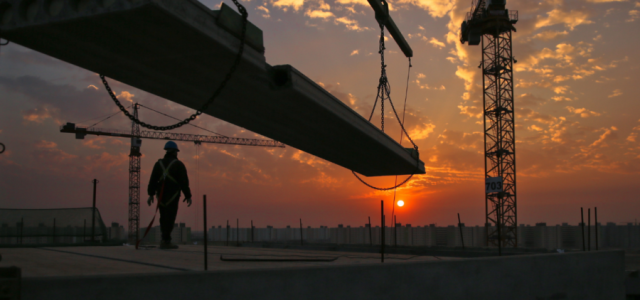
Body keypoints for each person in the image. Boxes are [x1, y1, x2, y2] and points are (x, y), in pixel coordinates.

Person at [147, 141, 192, 249]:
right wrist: (188, 195)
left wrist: (151, 194)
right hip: (173, 196)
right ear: (175, 152)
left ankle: (164, 239)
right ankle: (166, 241)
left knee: (163, 218)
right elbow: (184, 182)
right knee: (170, 218)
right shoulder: (178, 165)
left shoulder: (158, 164)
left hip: (161, 196)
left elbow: (152, 180)